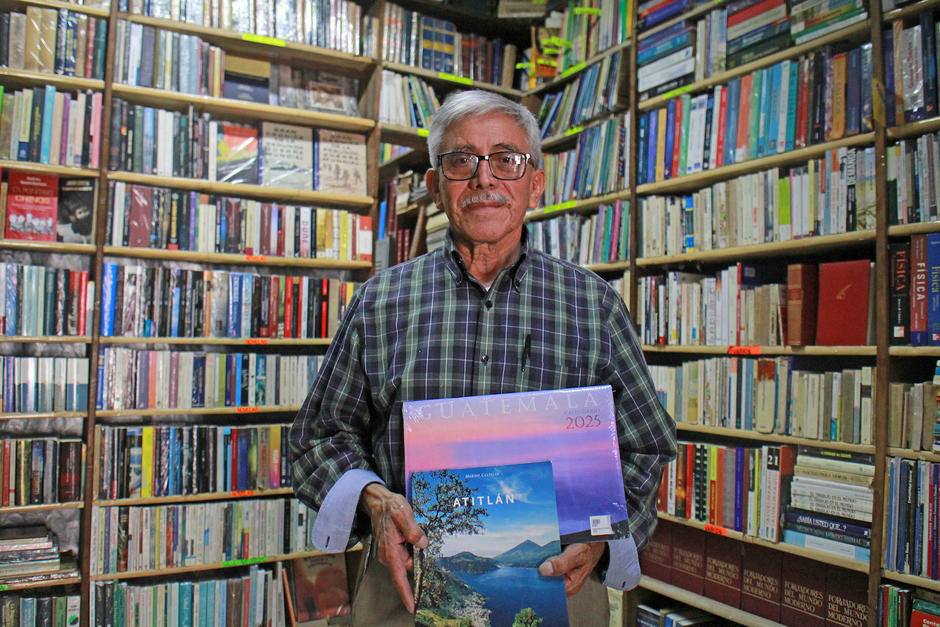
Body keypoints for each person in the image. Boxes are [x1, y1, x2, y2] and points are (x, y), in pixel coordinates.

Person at [290, 89, 677, 625]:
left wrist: (603, 541)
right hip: (404, 587)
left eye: (506, 160)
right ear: (433, 185)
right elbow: (317, 438)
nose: (484, 178)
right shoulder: (380, 302)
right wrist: (374, 500)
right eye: (460, 161)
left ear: (535, 184)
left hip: (562, 587)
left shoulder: (594, 305)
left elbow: (645, 446)